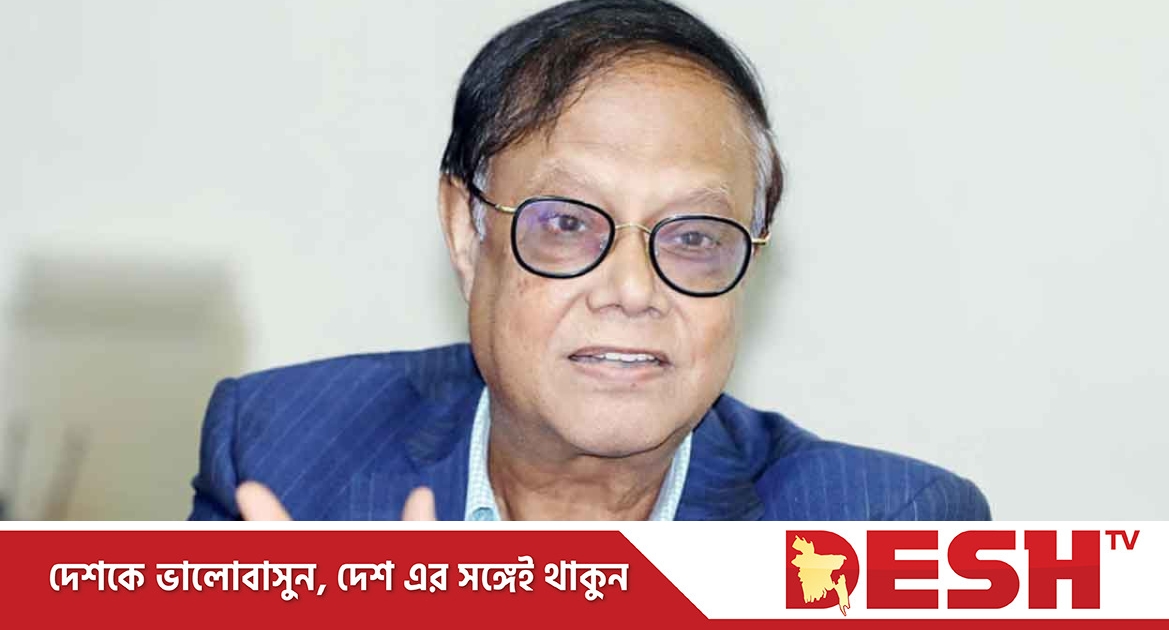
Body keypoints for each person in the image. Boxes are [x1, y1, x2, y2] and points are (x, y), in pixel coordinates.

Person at [189, 0, 990, 522]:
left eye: (694, 237)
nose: (633, 291)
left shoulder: (885, 529)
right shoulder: (284, 454)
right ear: (466, 231)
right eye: (569, 224)